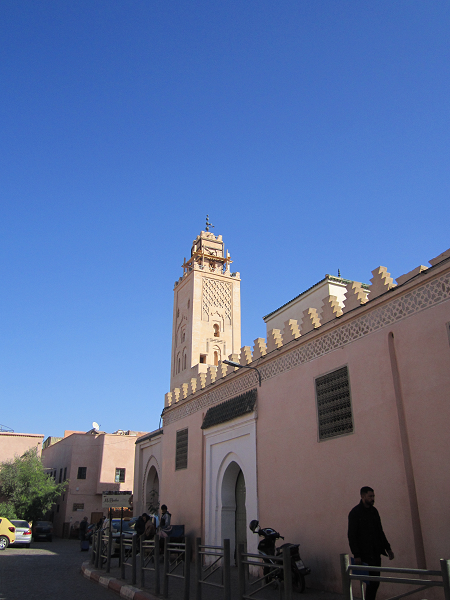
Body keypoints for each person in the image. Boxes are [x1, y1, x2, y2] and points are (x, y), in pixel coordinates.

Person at [348, 486, 395, 600]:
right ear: (363, 496)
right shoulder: (355, 513)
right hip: (364, 554)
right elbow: (352, 535)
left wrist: (388, 549)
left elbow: (380, 531)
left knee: (375, 581)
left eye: (373, 496)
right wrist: (357, 554)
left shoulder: (374, 511)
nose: (372, 498)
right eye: (370, 496)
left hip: (375, 552)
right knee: (370, 582)